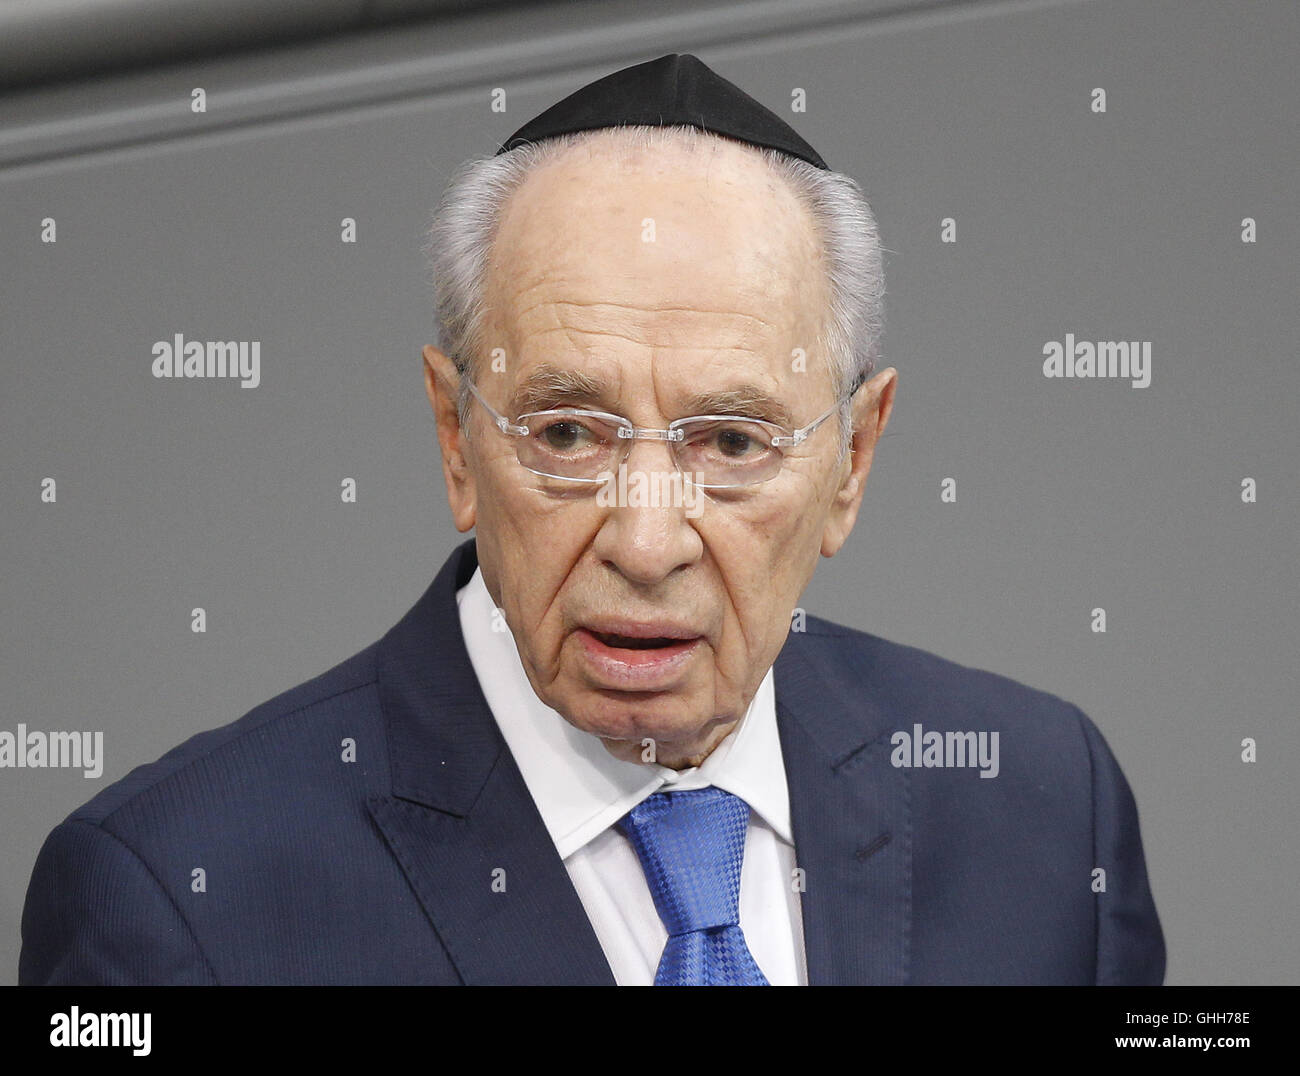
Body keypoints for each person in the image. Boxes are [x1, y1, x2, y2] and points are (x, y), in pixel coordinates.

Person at [19, 54, 1164, 986]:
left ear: (852, 457)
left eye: (731, 442)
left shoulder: (1042, 806)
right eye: (567, 433)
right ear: (455, 437)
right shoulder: (176, 901)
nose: (645, 543)